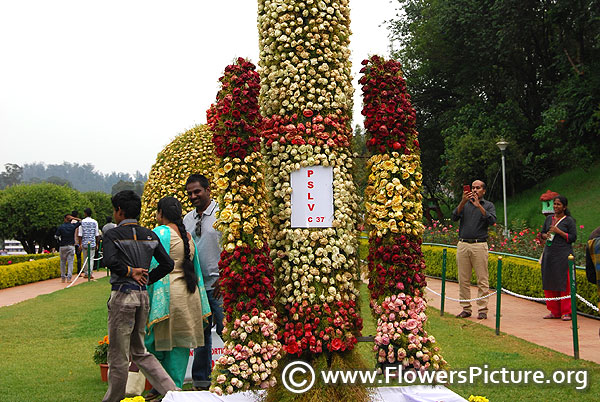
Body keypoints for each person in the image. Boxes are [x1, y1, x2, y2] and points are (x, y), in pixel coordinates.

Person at [101, 190, 178, 402]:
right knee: (140, 351)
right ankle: (175, 394)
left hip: (122, 296)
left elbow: (109, 260)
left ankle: (112, 399)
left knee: (118, 354)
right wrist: (147, 278)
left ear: (119, 211)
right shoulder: (149, 235)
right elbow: (168, 264)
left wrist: (129, 271)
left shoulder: (112, 235)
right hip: (142, 297)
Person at [144, 197, 211, 399]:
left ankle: (161, 384)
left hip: (167, 292)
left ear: (161, 213)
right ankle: (174, 388)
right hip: (188, 294)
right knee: (180, 343)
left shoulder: (161, 232)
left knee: (153, 341)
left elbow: (150, 264)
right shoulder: (188, 236)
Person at [182, 174, 223, 390]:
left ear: (208, 190)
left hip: (220, 287)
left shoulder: (222, 214)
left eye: (197, 191)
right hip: (197, 288)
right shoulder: (187, 219)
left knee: (228, 331)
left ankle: (242, 374)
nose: (193, 196)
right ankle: (201, 381)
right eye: (189, 193)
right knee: (200, 337)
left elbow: (233, 246)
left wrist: (226, 276)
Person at [452, 180, 496, 320]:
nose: (475, 190)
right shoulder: (465, 204)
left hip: (479, 245)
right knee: (463, 279)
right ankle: (466, 308)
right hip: (463, 244)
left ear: (483, 191)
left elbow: (492, 221)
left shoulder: (488, 205)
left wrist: (479, 206)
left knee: (482, 279)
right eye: (473, 188)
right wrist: (463, 202)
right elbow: (454, 216)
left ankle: (482, 309)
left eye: (478, 188)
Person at [540, 195, 577, 321]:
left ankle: (566, 311)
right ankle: (554, 311)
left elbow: (572, 237)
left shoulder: (569, 221)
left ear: (564, 207)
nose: (556, 206)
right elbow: (542, 233)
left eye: (558, 204)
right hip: (549, 254)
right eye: (554, 204)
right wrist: (546, 235)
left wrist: (558, 231)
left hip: (563, 255)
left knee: (564, 283)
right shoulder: (549, 219)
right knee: (550, 281)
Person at [54, 214, 81, 283]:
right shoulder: (73, 226)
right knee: (70, 262)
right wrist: (74, 218)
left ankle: (63, 277)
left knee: (62, 262)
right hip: (71, 246)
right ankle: (69, 278)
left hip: (63, 246)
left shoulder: (61, 227)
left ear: (65, 219)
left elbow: (56, 236)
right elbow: (81, 221)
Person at [77, 208, 99, 278]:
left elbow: (80, 234)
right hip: (92, 242)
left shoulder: (82, 222)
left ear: (85, 213)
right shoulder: (95, 222)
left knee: (85, 258)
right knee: (91, 258)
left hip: (84, 243)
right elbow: (97, 234)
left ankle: (86, 273)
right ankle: (90, 273)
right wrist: (97, 243)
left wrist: (80, 244)